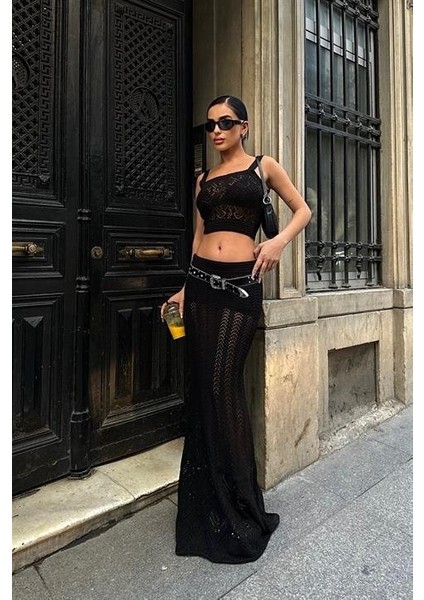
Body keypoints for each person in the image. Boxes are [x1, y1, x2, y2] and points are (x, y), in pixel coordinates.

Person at [161, 95, 311, 564]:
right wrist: (183, 289)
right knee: (204, 389)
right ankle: (208, 504)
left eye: (226, 123)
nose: (217, 132)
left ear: (243, 126)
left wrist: (277, 242)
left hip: (241, 288)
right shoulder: (202, 179)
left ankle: (242, 504)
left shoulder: (263, 166)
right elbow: (199, 237)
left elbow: (303, 210)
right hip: (201, 287)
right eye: (210, 125)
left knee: (223, 386)